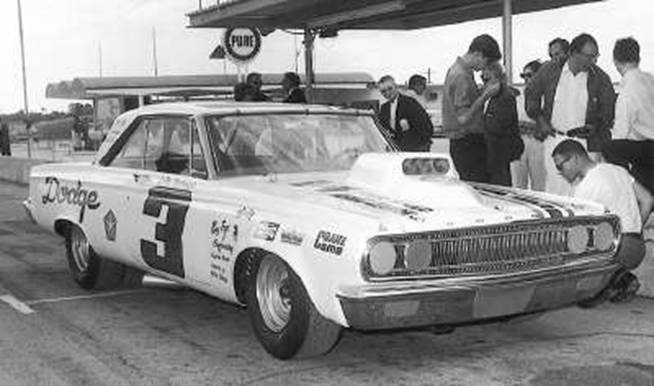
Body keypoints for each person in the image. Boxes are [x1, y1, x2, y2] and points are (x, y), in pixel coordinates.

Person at [552, 139, 653, 303]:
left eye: (560, 166)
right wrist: (635, 228)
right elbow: (647, 200)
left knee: (568, 241)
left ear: (575, 158)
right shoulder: (618, 170)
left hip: (616, 251)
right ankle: (617, 278)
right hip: (637, 246)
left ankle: (606, 282)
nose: (561, 172)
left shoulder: (585, 188)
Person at [525, 33, 615, 196]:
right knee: (556, 191)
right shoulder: (549, 70)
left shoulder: (601, 78)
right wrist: (540, 120)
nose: (593, 61)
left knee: (586, 192)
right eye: (589, 56)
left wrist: (596, 126)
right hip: (555, 140)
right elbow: (531, 94)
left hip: (587, 145)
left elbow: (608, 112)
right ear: (573, 53)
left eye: (595, 56)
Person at [442, 34, 502, 183]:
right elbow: (462, 118)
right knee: (479, 189)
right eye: (486, 62)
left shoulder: (457, 69)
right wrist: (484, 96)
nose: (484, 67)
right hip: (467, 142)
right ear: (478, 55)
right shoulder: (461, 76)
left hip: (463, 143)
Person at [602, 37, 654, 196]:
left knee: (610, 147)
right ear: (638, 57)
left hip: (648, 149)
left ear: (615, 61)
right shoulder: (649, 80)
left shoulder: (627, 93)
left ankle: (625, 187)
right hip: (647, 150)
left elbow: (620, 134)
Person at [482, 62, 521, 186]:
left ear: (499, 78)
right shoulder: (490, 96)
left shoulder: (505, 97)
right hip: (490, 153)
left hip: (499, 153)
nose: (484, 82)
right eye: (482, 78)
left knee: (500, 187)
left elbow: (497, 125)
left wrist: (478, 124)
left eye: (487, 78)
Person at [512, 60, 546, 190]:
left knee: (539, 184)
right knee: (518, 185)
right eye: (523, 75)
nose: (526, 79)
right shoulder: (518, 97)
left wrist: (529, 127)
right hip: (519, 144)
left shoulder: (546, 98)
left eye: (529, 75)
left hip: (538, 144)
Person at [377, 75, 433, 152]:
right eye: (383, 91)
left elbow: (427, 128)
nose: (388, 93)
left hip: (416, 149)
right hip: (396, 150)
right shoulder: (384, 108)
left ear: (396, 87)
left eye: (390, 88)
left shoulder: (410, 103)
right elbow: (383, 130)